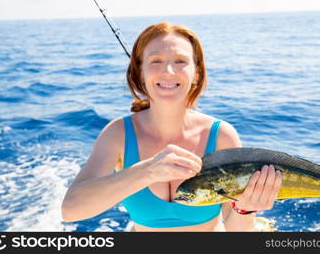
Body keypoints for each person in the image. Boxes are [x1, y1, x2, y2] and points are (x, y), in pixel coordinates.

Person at [61, 22, 282, 231]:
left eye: (180, 61)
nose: (168, 70)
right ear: (140, 72)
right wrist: (146, 172)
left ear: (196, 73)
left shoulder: (222, 134)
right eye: (155, 61)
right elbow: (70, 210)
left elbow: (237, 230)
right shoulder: (117, 133)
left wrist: (246, 208)